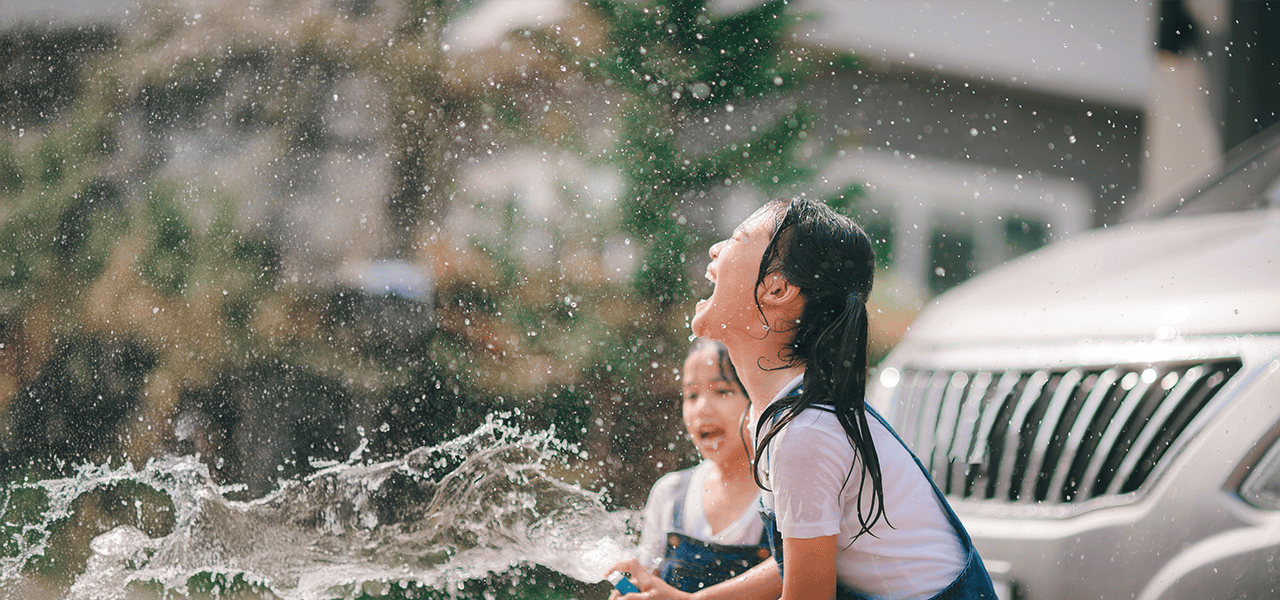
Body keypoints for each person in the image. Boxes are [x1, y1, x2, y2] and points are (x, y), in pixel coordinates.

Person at [607, 198, 996, 600]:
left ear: (776, 289)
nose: (716, 249)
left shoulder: (804, 433)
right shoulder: (784, 416)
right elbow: (791, 564)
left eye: (737, 239)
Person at [613, 338, 772, 596]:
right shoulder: (670, 493)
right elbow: (647, 583)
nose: (702, 408)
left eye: (722, 391)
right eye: (691, 395)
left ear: (757, 397)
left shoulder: (778, 492)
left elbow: (791, 573)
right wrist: (627, 589)